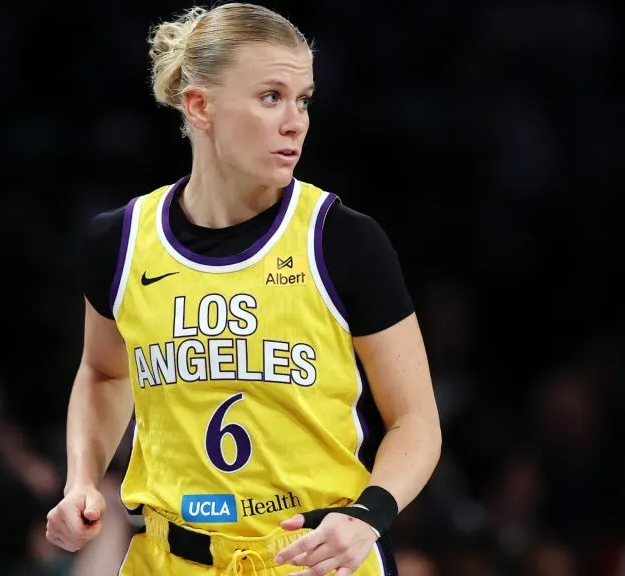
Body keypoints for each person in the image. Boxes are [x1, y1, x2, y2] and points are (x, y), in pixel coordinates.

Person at [45, 3, 442, 575]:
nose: (296, 120)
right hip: (165, 559)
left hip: (312, 557)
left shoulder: (342, 240)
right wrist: (81, 480)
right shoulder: (120, 242)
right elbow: (106, 372)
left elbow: (415, 421)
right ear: (200, 106)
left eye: (303, 99)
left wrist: (368, 515)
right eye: (270, 96)